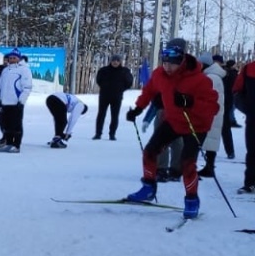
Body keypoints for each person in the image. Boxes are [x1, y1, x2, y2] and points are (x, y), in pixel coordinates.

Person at [124, 37, 220, 218]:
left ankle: (192, 200)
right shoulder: (160, 74)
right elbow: (149, 91)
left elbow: (213, 107)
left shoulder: (199, 80)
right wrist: (138, 109)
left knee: (187, 162)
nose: (167, 67)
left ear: (182, 61)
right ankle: (148, 188)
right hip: (173, 120)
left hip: (196, 125)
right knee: (150, 151)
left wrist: (189, 102)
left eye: (172, 64)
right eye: (165, 63)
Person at [0, 48, 32, 152]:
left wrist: (22, 101)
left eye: (14, 57)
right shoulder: (5, 70)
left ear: (19, 58)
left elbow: (27, 87)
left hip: (16, 103)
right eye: (10, 58)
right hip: (5, 102)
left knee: (16, 125)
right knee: (6, 124)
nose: (12, 59)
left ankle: (16, 145)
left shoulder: (24, 70)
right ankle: (9, 143)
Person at [195, 53, 226, 177]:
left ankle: (208, 167)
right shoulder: (214, 75)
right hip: (214, 112)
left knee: (207, 139)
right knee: (211, 140)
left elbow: (205, 95)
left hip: (210, 112)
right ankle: (209, 166)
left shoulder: (211, 77)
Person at [93, 54, 133, 139]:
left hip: (117, 96)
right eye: (114, 60)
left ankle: (112, 134)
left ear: (120, 62)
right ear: (111, 61)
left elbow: (129, 82)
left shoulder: (124, 71)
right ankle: (98, 134)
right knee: (101, 114)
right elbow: (98, 80)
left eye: (117, 60)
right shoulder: (103, 70)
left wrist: (121, 89)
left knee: (114, 116)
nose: (115, 62)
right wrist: (104, 87)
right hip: (104, 95)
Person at [234, 57, 255, 193]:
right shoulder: (248, 69)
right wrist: (248, 109)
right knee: (252, 151)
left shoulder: (248, 69)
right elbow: (237, 91)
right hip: (253, 118)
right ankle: (250, 182)